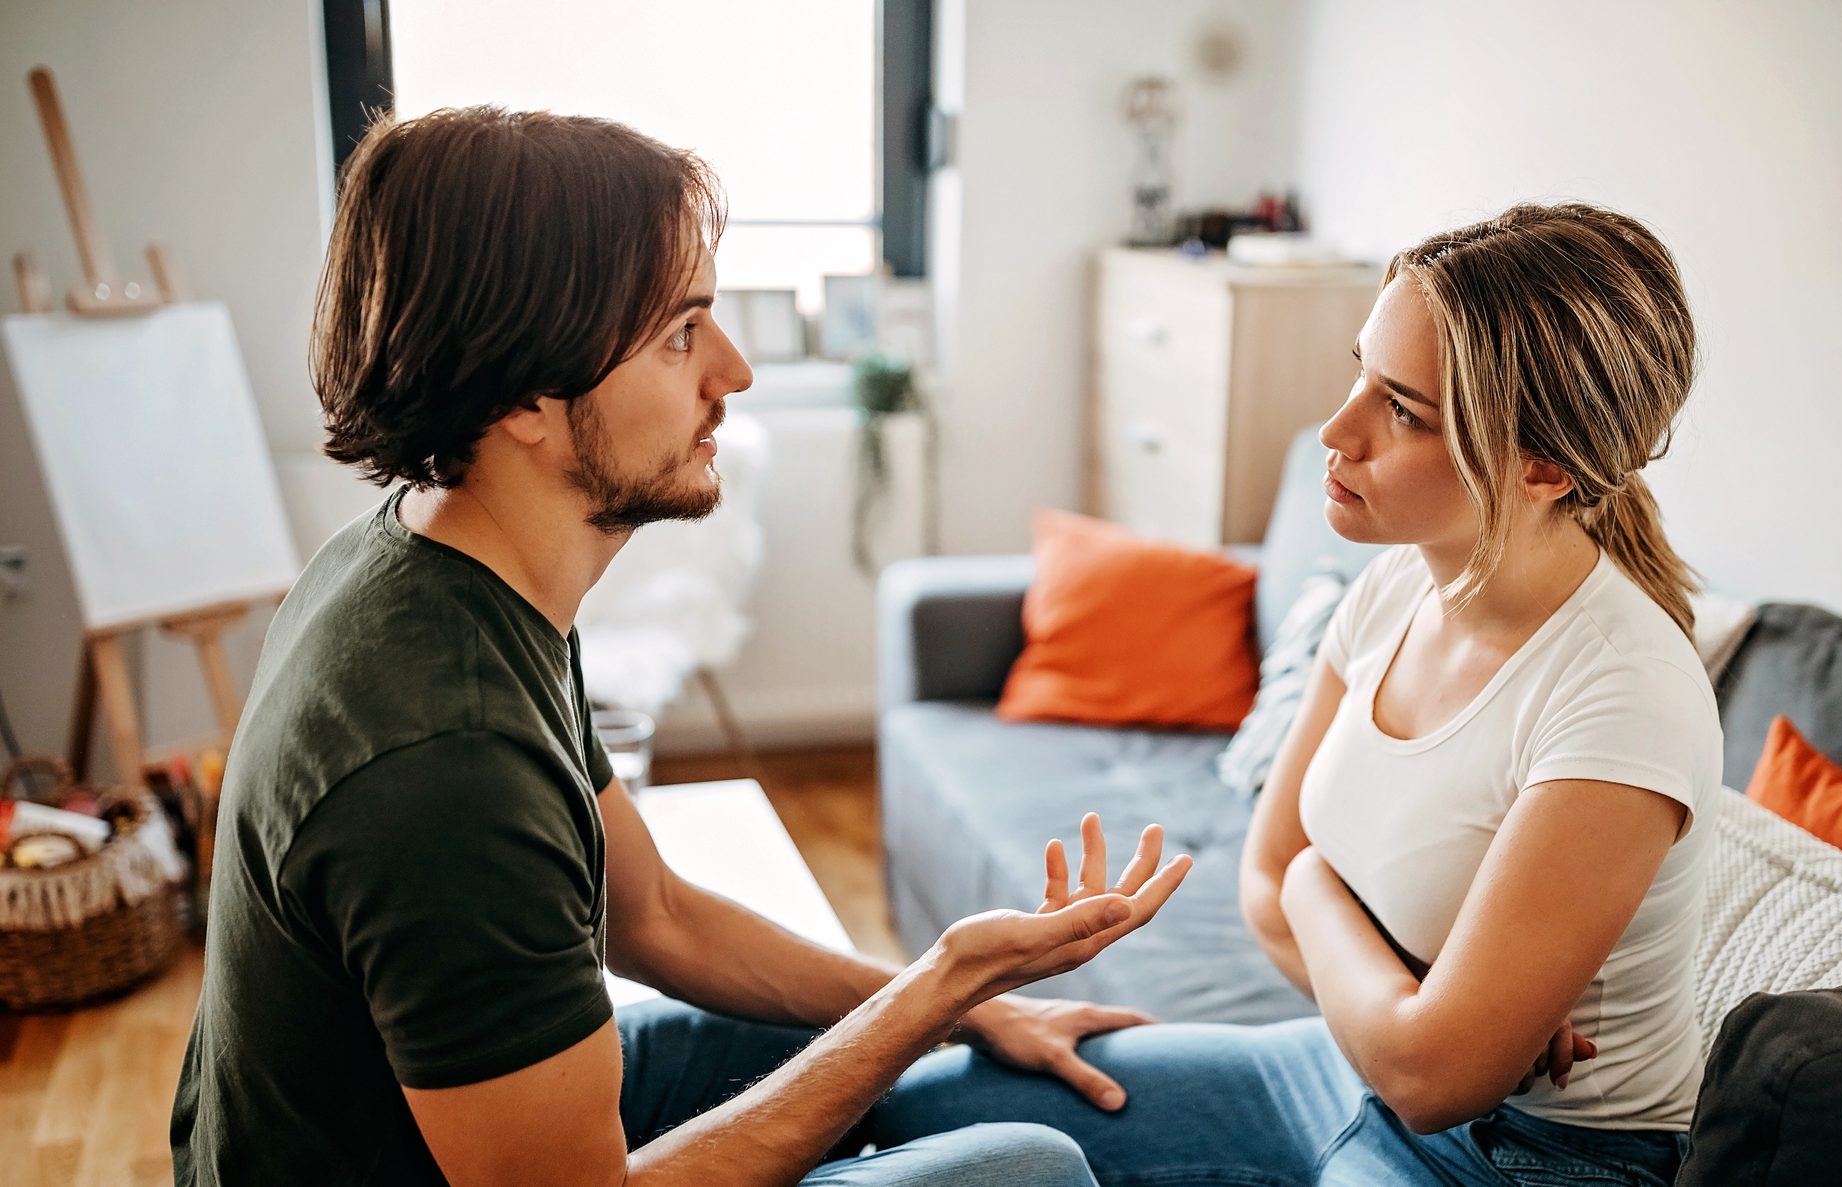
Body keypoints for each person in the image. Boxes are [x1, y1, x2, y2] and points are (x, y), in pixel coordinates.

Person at [169, 106, 1192, 1187]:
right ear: (524, 392)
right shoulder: (447, 760)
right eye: (680, 332)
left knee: (905, 1062)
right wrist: (938, 985)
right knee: (1026, 1170)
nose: (735, 371)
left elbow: (653, 913)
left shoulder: (448, 572)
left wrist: (954, 999)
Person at [866, 203, 1723, 1186]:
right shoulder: (1393, 584)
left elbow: (1428, 1070)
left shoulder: (1621, 694)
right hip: (1331, 1064)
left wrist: (1330, 893)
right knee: (900, 1109)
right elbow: (1263, 885)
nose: (1335, 427)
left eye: (1399, 408)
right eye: (1359, 371)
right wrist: (1403, 988)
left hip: (1526, 1159)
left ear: (1542, 465)